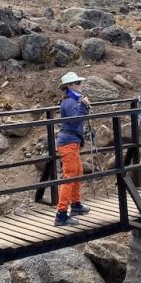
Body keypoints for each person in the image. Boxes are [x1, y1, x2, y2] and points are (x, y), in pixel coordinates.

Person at [54, 72, 91, 226]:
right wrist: (83, 107)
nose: (80, 85)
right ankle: (61, 214)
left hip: (71, 142)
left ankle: (75, 205)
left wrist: (83, 107)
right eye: (77, 83)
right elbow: (75, 121)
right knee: (70, 176)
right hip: (68, 142)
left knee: (77, 173)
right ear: (69, 86)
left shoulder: (72, 100)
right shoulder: (70, 102)